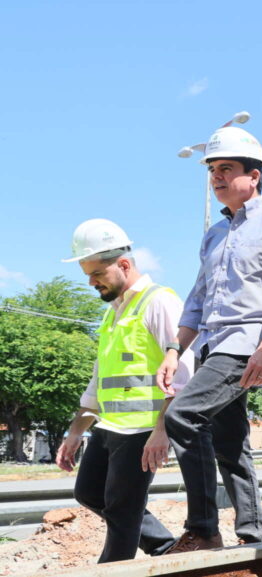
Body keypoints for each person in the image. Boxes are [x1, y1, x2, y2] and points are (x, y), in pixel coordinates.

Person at [157, 126, 262, 553]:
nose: (216, 177)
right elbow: (197, 300)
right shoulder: (214, 235)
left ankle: (202, 529)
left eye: (226, 168)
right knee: (229, 442)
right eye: (212, 171)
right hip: (210, 347)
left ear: (254, 175)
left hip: (247, 344)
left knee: (182, 417)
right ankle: (253, 531)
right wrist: (174, 351)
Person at [56, 219, 193, 562]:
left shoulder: (159, 302)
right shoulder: (113, 314)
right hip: (109, 426)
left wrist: (163, 429)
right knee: (89, 492)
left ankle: (111, 571)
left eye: (96, 273)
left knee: (121, 508)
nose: (91, 282)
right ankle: (163, 546)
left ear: (124, 264)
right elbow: (99, 382)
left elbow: (184, 374)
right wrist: (75, 432)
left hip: (143, 429)